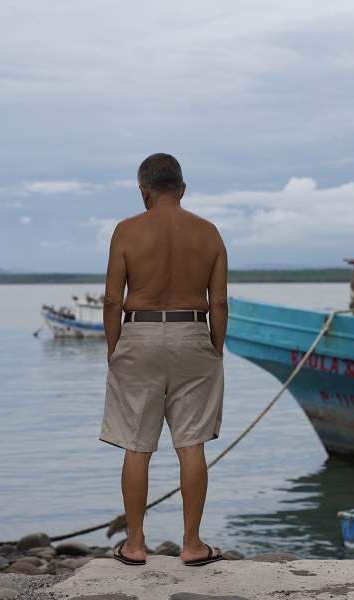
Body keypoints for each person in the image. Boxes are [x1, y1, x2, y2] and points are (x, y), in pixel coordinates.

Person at [100, 153, 228, 567]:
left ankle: (135, 544)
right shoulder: (209, 233)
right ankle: (192, 545)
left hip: (138, 331)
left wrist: (114, 349)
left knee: (137, 445)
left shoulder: (126, 231)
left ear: (144, 192)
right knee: (191, 444)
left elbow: (111, 300)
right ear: (183, 188)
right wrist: (215, 349)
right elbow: (220, 302)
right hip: (194, 331)